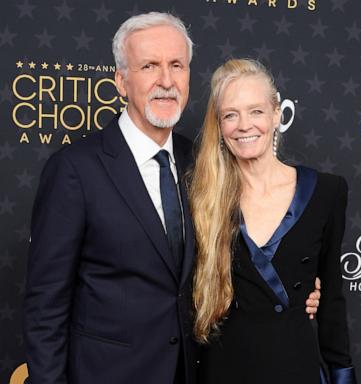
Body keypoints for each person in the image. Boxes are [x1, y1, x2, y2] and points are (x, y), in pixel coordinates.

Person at [23, 13, 320, 384]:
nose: (166, 81)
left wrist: (303, 285)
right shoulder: (75, 169)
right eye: (149, 66)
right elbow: (44, 307)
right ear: (121, 81)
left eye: (176, 65)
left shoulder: (202, 163)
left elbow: (239, 258)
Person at [189, 58, 356, 384]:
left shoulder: (325, 192)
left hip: (295, 368)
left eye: (256, 111)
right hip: (222, 371)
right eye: (230, 115)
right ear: (219, 127)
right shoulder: (200, 198)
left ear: (277, 114)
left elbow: (332, 300)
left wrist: (343, 376)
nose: (244, 125)